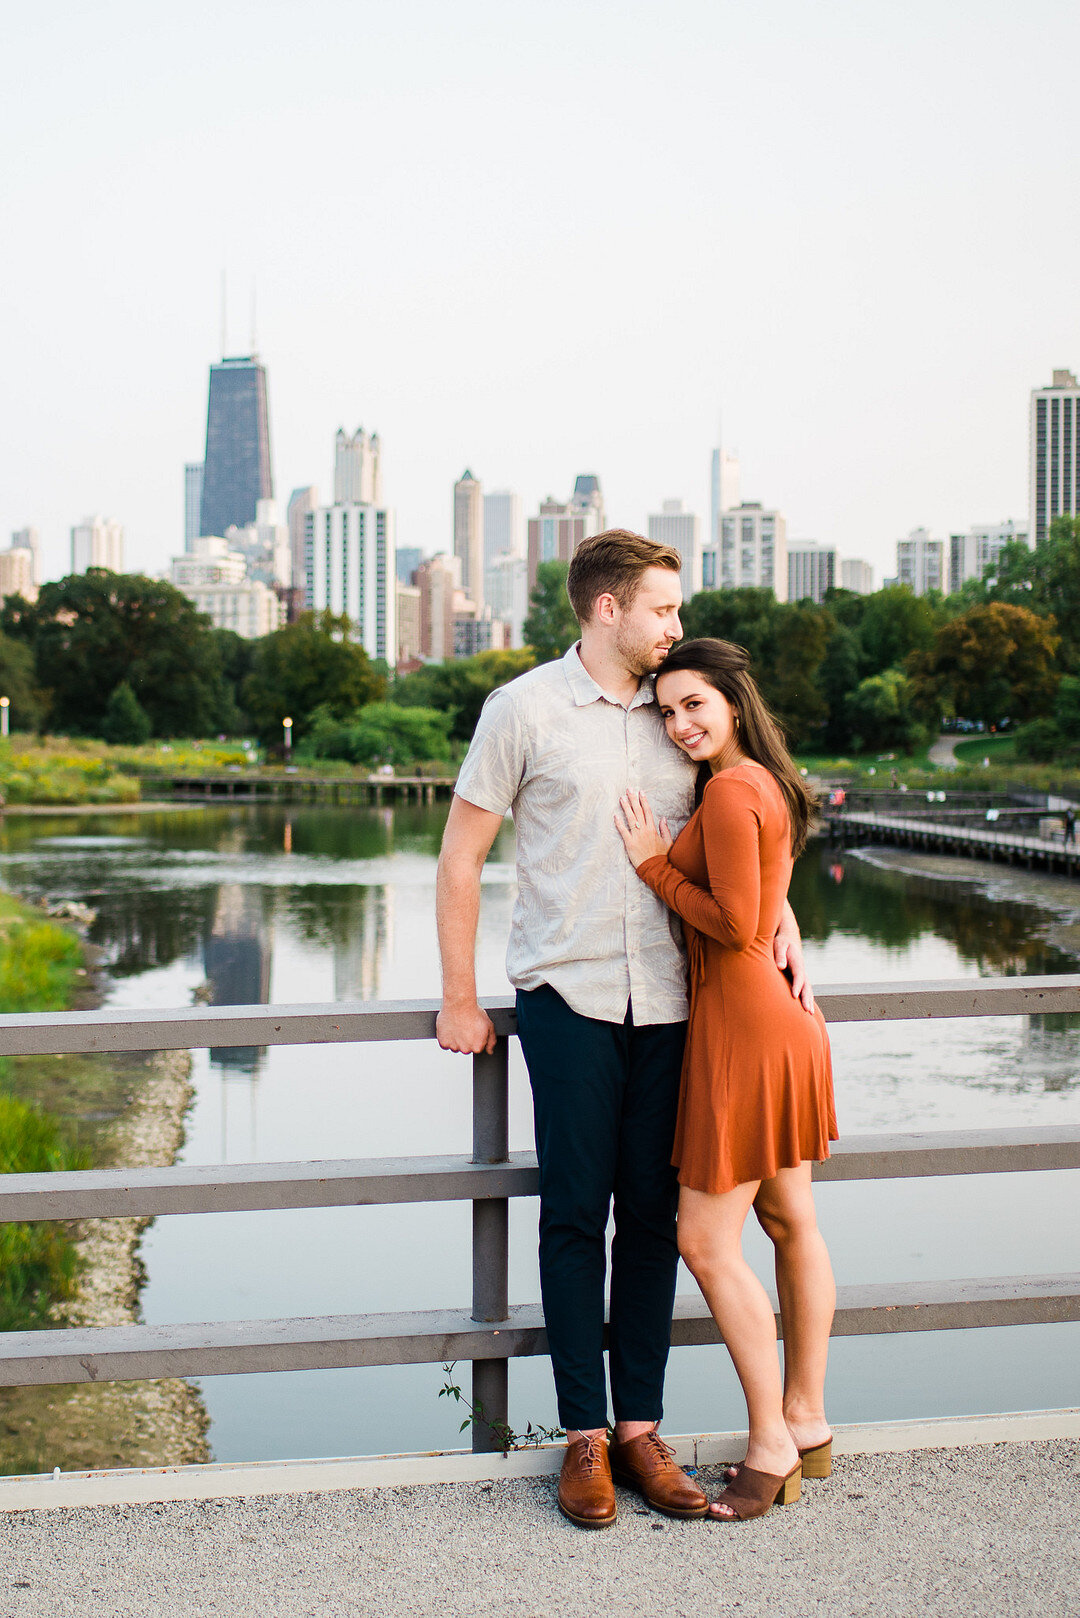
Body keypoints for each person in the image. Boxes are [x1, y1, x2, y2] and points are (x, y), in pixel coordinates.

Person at [436, 533, 813, 1530]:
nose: (676, 629)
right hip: (568, 995)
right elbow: (461, 856)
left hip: (679, 1008)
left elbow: (747, 833)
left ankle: (642, 1428)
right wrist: (459, 996)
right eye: (663, 610)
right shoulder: (522, 710)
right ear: (608, 608)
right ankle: (585, 1438)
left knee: (654, 1218)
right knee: (573, 1215)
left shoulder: (677, 715)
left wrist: (784, 918)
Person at [615, 637, 838, 1524]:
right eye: (667, 711)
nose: (679, 725)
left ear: (735, 703)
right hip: (782, 1027)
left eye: (694, 705)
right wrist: (781, 912)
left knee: (704, 1242)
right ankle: (809, 1418)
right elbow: (767, 897)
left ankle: (772, 1441)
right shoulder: (761, 784)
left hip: (747, 1033)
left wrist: (651, 863)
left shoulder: (737, 788)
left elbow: (737, 922)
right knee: (789, 1220)